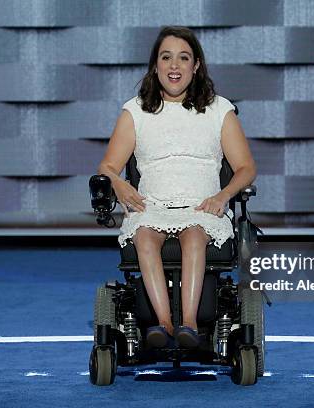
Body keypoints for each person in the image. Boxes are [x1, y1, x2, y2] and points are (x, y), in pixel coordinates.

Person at [98, 26, 256, 349]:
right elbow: (108, 167)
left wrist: (224, 195)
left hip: (202, 206)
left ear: (195, 65)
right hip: (152, 206)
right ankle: (163, 325)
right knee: (143, 237)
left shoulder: (219, 110)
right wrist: (119, 185)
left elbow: (246, 168)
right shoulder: (135, 111)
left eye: (183, 58)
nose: (174, 66)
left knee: (195, 235)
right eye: (166, 57)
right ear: (155, 65)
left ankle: (189, 324)